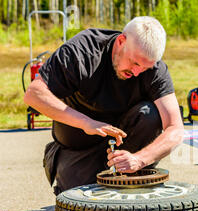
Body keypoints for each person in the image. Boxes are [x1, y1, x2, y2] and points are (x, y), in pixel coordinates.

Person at [24, 16, 184, 195]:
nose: (137, 72)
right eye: (135, 62)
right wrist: (87, 123)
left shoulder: (154, 69)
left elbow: (176, 128)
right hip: (78, 143)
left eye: (145, 68)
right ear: (121, 41)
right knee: (79, 202)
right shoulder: (83, 51)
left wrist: (139, 159)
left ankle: (130, 173)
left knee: (151, 114)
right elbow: (34, 94)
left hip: (124, 143)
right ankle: (68, 167)